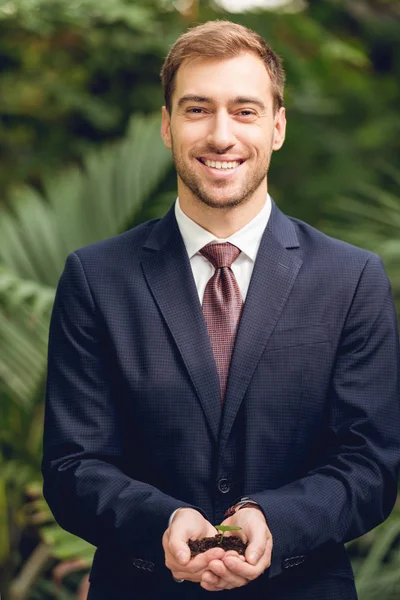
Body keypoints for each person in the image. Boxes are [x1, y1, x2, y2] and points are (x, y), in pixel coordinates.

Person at [42, 20, 400, 600]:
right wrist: (160, 520)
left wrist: (275, 520)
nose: (221, 134)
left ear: (278, 127)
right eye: (197, 109)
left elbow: (370, 465)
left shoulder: (352, 280)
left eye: (245, 110)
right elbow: (72, 466)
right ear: (167, 125)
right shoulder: (96, 278)